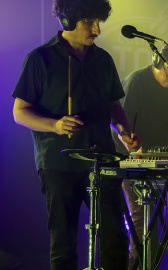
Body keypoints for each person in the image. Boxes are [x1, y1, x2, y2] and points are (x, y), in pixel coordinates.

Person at [12, 0, 140, 269]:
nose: (97, 30)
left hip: (102, 160)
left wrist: (124, 131)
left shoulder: (103, 59)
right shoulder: (40, 59)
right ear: (68, 21)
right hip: (59, 164)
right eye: (89, 23)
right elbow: (20, 112)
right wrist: (55, 125)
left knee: (115, 238)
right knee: (63, 243)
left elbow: (113, 104)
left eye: (99, 22)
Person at [112, 41, 168, 269]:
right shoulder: (137, 82)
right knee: (140, 213)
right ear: (157, 62)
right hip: (129, 154)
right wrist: (133, 146)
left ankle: (144, 263)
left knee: (156, 214)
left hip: (158, 156)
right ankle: (136, 265)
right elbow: (119, 122)